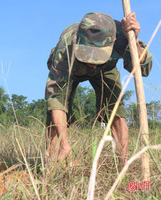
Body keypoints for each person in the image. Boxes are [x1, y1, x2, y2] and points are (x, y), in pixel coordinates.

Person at [45, 12, 152, 165]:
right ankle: (53, 164)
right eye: (88, 54)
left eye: (98, 55)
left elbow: (145, 69)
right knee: (54, 118)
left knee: (116, 110)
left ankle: (123, 165)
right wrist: (65, 144)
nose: (92, 63)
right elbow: (56, 99)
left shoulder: (122, 36)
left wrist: (133, 41)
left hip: (106, 69)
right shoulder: (66, 48)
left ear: (113, 42)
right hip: (72, 69)